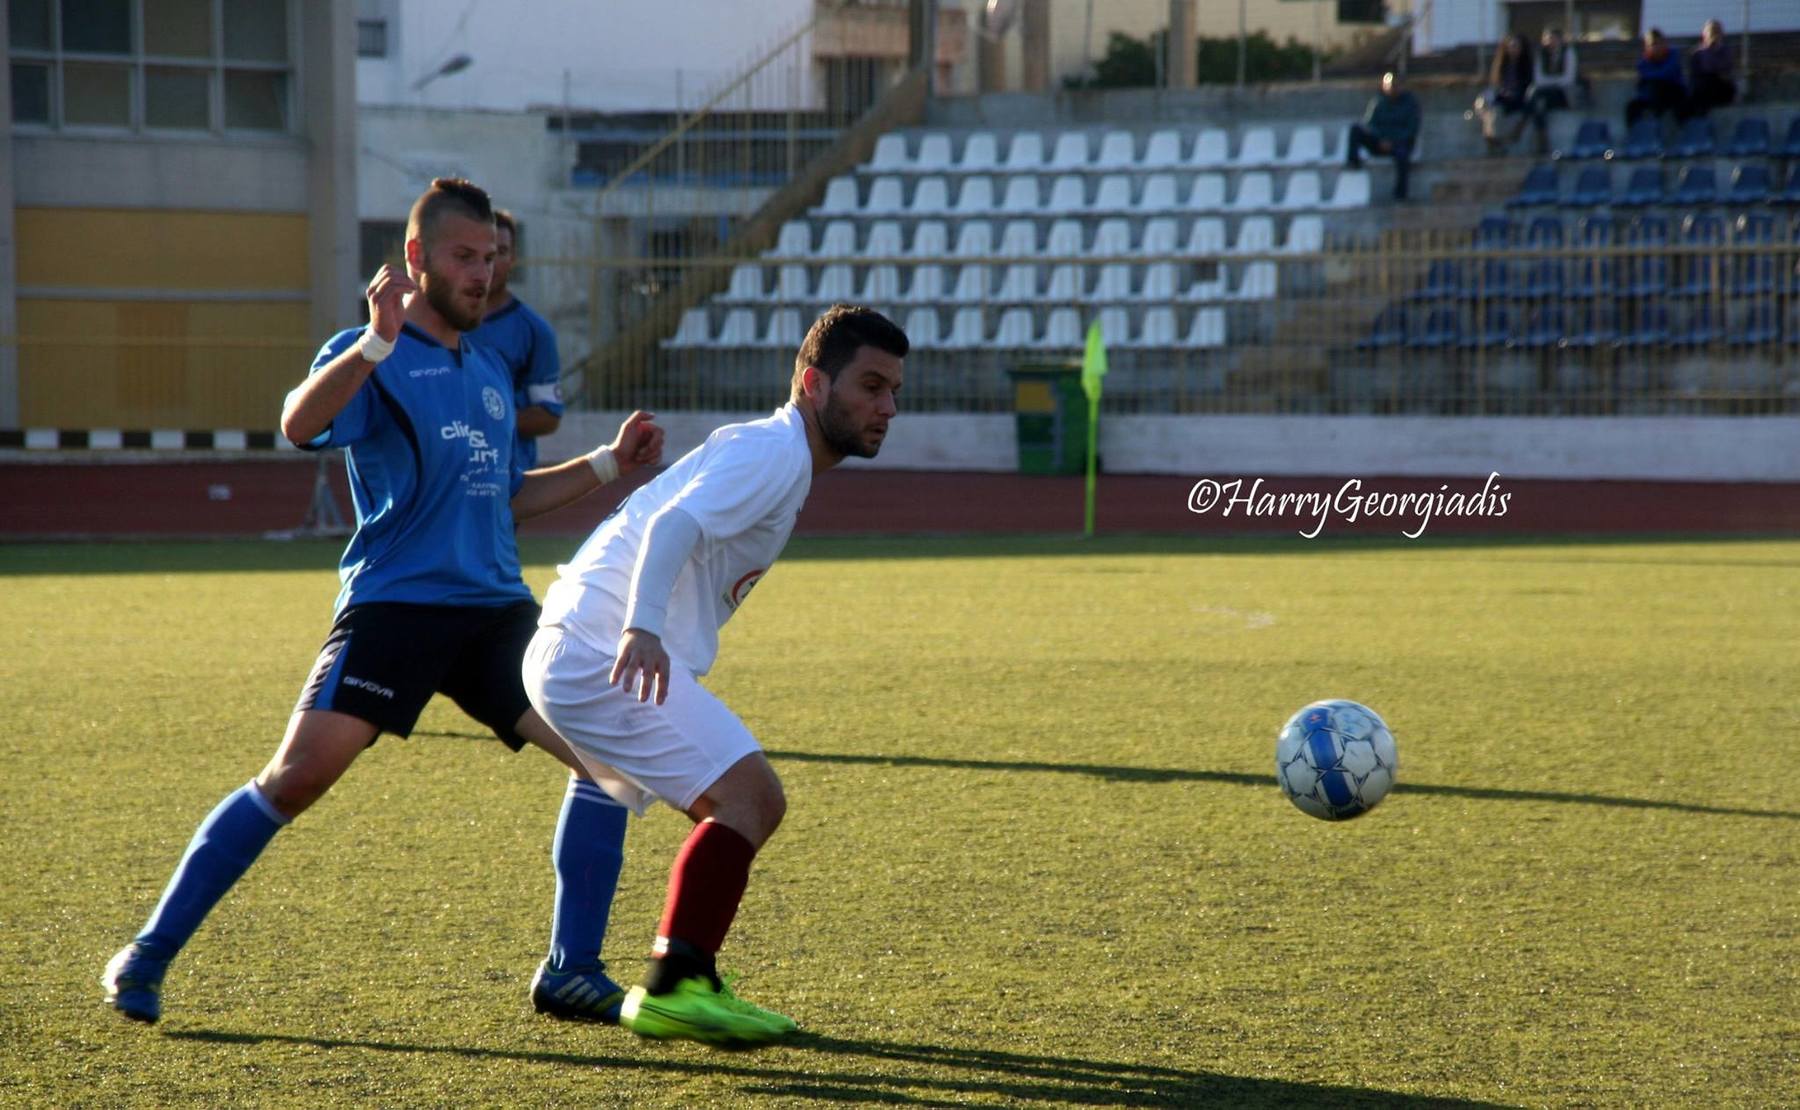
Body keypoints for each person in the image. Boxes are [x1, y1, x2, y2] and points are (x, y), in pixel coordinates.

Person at [100, 178, 665, 1027]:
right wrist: (371, 343)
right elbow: (297, 425)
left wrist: (611, 464)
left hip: (494, 612)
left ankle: (571, 970)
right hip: (398, 607)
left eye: (491, 258)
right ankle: (146, 953)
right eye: (463, 257)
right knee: (295, 779)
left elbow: (505, 496)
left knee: (608, 759)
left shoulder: (490, 368)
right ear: (414, 258)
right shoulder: (372, 351)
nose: (481, 273)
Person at [521, 303, 908, 1045]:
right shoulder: (774, 452)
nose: (886, 407)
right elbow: (673, 525)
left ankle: (574, 968)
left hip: (570, 643)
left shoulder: (775, 453)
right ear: (813, 383)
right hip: (601, 649)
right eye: (870, 386)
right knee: (750, 799)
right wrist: (641, 627)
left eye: (893, 391)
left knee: (606, 782)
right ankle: (678, 982)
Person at [469, 208, 563, 472]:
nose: (490, 264)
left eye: (499, 252)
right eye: (478, 254)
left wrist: (483, 420)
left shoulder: (534, 330)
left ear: (513, 258)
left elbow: (549, 415)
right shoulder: (435, 323)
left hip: (509, 479)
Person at [1346, 70, 1422, 202]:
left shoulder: (1410, 104)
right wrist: (1380, 139)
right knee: (1355, 130)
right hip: (1380, 143)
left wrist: (1392, 141)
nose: (1392, 88)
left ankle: (1400, 194)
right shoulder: (1378, 102)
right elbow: (1369, 124)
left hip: (1399, 144)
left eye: (1395, 85)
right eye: (1389, 85)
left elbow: (1411, 129)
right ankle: (1353, 162)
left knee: (1403, 156)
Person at [1479, 33, 1536, 154]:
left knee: (1529, 107)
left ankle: (1511, 137)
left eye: (1516, 46)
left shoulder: (1526, 65)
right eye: (1511, 46)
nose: (1513, 49)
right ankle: (1489, 135)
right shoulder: (1501, 64)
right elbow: (1495, 84)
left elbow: (1528, 85)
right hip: (1503, 96)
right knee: (1483, 103)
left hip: (1519, 97)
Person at [1528, 26, 1585, 141]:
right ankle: (1542, 137)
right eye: (1548, 39)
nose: (1551, 42)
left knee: (1536, 97)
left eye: (1553, 39)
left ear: (1560, 40)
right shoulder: (1541, 54)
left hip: (1564, 93)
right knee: (1538, 101)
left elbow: (1568, 79)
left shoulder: (1568, 53)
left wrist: (1551, 82)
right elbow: (1538, 79)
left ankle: (1539, 136)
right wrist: (1554, 81)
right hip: (1545, 92)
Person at [1625, 28, 1686, 126]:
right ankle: (1635, 131)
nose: (1656, 47)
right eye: (1652, 44)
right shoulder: (1643, 61)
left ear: (1664, 43)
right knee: (1632, 106)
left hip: (1674, 92)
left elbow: (1667, 73)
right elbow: (1644, 77)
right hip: (1652, 95)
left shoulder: (1673, 54)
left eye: (1658, 43)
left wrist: (1654, 76)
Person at [1686, 19, 1737, 117]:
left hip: (1721, 86)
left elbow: (1726, 69)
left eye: (1717, 32)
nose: (1715, 35)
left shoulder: (1726, 51)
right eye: (1712, 32)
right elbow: (1704, 69)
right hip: (1704, 87)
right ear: (1704, 34)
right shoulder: (1698, 53)